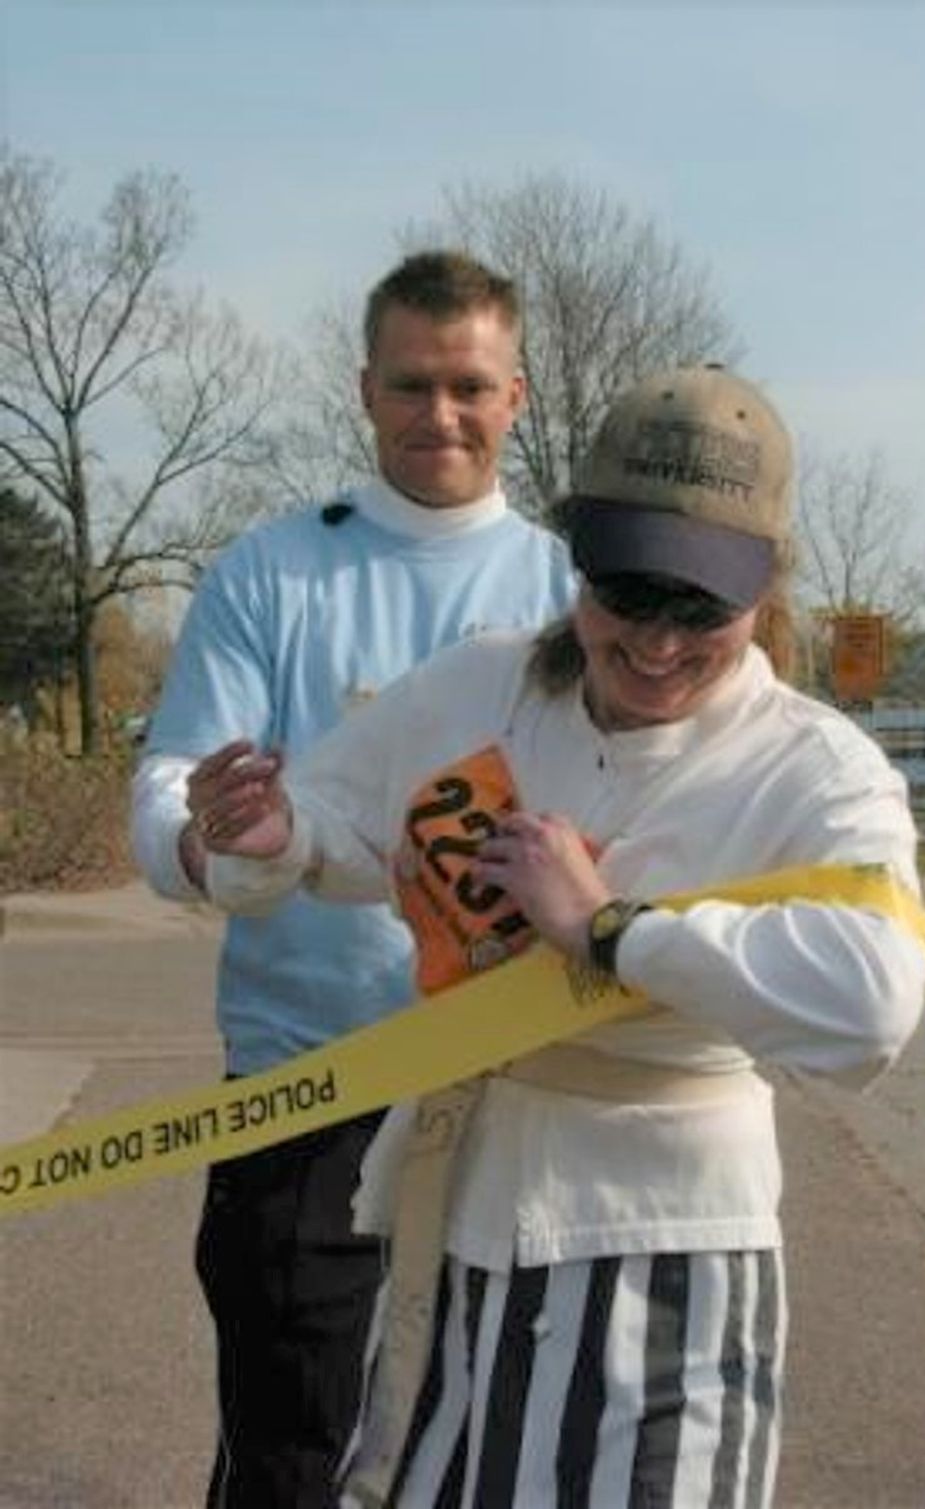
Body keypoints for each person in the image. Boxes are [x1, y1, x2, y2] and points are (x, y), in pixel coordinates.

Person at [197, 366, 925, 1508]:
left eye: (700, 606)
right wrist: (271, 829)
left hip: (670, 1244)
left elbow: (869, 1003)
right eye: (625, 592)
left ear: (767, 587)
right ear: (577, 560)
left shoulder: (816, 769)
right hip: (473, 1226)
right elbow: (337, 825)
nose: (654, 642)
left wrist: (609, 931)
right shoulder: (482, 685)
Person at [131, 250, 575, 1508]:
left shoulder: (567, 592)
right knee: (294, 1455)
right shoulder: (271, 572)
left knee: (491, 1454)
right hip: (302, 1092)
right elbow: (170, 783)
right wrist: (210, 836)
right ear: (364, 391)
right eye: (412, 384)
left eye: (470, 386)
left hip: (515, 1096)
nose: (441, 414)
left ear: (517, 396)